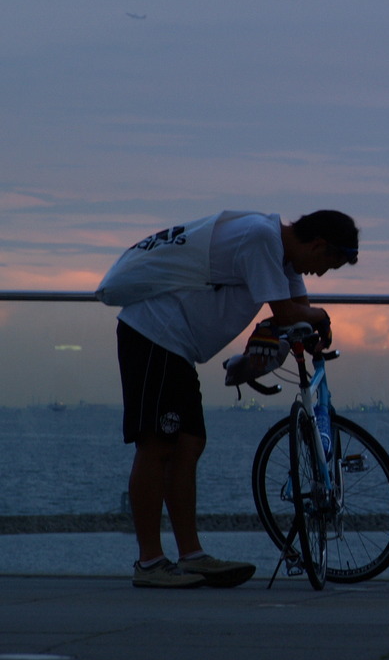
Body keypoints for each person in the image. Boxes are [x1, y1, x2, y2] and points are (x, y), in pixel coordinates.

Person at [109, 210, 359, 588]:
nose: (322, 273)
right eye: (329, 264)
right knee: (156, 444)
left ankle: (191, 556)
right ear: (318, 244)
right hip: (153, 333)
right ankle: (149, 562)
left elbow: (293, 314)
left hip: (177, 347)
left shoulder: (282, 256)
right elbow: (290, 311)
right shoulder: (262, 238)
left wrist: (306, 329)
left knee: (189, 444)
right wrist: (320, 316)